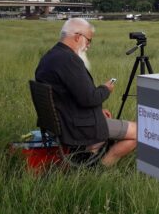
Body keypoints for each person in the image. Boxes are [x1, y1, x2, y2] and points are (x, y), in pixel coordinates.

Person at [35, 18, 137, 167]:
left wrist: (97, 110)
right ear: (78, 37)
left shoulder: (50, 57)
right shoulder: (69, 60)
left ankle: (89, 154)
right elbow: (89, 98)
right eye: (89, 40)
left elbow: (69, 97)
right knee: (139, 132)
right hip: (76, 126)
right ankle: (100, 168)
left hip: (63, 122)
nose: (88, 45)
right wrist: (105, 89)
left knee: (113, 124)